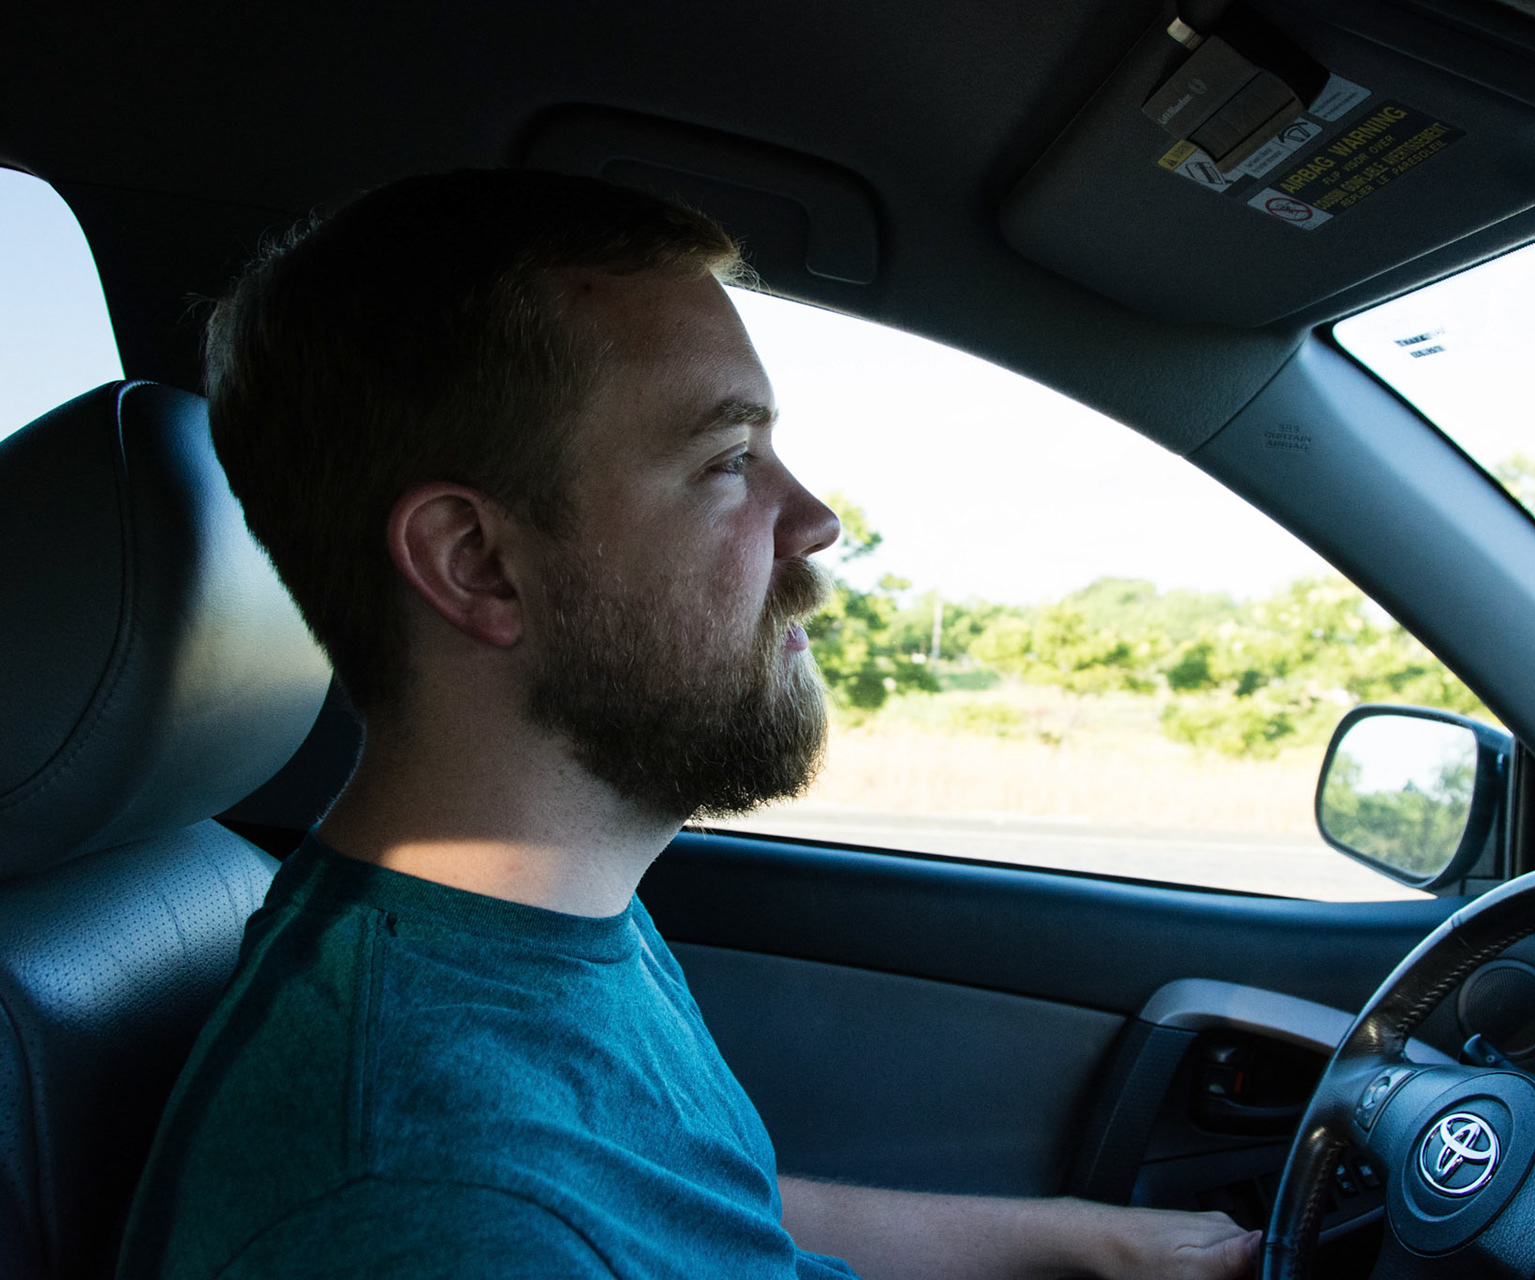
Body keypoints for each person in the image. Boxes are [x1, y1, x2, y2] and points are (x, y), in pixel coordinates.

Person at [116, 169, 1263, 1280]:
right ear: (478, 563)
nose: (815, 521)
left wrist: (1090, 1238)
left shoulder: (535, 921)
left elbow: (707, 1211)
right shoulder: (437, 1209)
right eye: (727, 460)